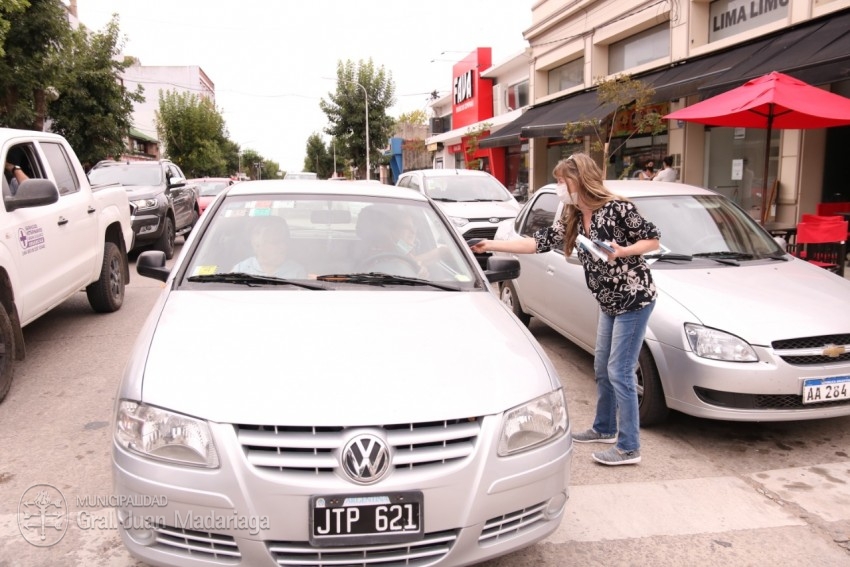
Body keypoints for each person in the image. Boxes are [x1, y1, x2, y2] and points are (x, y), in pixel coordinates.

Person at [471, 153, 660, 466]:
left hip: (634, 299)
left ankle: (629, 447)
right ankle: (604, 428)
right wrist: (490, 245)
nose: (559, 187)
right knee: (602, 367)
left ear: (580, 179)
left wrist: (623, 251)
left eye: (562, 181)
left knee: (620, 371)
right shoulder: (573, 214)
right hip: (608, 301)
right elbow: (537, 243)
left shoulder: (617, 208)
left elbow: (652, 239)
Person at [231, 216, 307, 278]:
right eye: (275, 242)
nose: (283, 247)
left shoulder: (296, 272)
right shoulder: (240, 270)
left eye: (284, 241)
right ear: (258, 246)